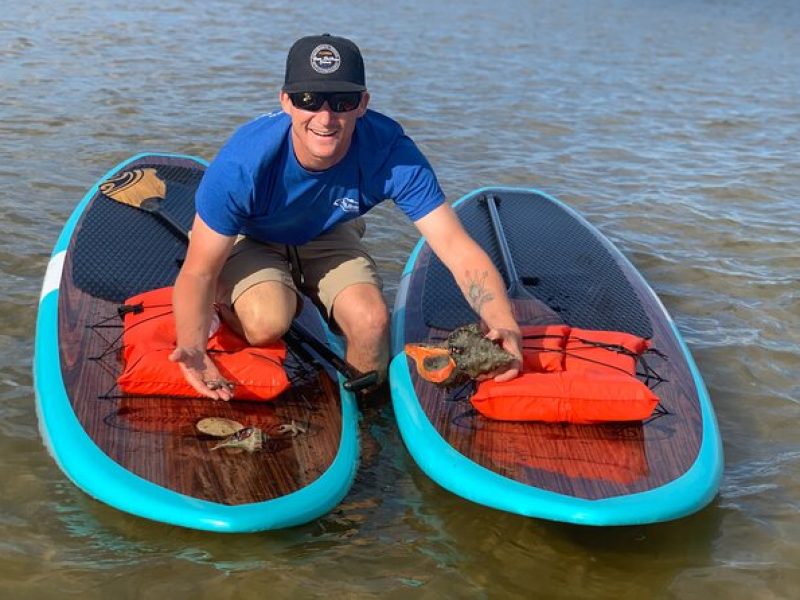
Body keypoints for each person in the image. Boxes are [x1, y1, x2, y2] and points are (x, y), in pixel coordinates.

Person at [170, 33, 522, 400]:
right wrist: (192, 345)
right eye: (309, 100)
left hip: (327, 227)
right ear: (286, 102)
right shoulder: (241, 165)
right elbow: (199, 270)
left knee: (372, 323)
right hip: (251, 232)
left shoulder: (392, 154)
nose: (325, 117)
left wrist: (503, 323)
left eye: (342, 101)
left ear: (363, 103)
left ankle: (365, 417)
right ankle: (251, 301)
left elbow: (455, 247)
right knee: (267, 321)